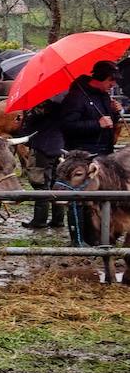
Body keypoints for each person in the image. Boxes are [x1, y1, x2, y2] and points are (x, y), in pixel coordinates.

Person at [56, 60, 123, 246]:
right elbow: (67, 125)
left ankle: (101, 235)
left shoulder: (103, 96)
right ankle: (78, 239)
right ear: (101, 78)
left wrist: (116, 112)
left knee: (103, 197)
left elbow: (108, 121)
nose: (113, 85)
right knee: (79, 197)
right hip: (82, 155)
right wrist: (96, 124)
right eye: (111, 80)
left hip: (104, 153)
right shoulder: (76, 97)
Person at [18, 100, 65, 230]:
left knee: (41, 184)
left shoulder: (38, 110)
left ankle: (39, 220)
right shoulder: (63, 105)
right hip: (59, 147)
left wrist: (25, 118)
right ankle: (58, 219)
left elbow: (26, 133)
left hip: (42, 150)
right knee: (57, 184)